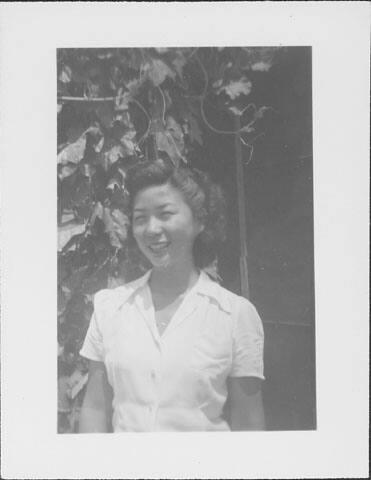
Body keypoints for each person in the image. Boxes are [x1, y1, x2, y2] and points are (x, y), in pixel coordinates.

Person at [79, 157, 265, 432]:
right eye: (140, 218)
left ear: (200, 221)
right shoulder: (110, 307)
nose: (152, 229)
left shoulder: (234, 314)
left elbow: (249, 423)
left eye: (165, 214)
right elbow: (95, 408)